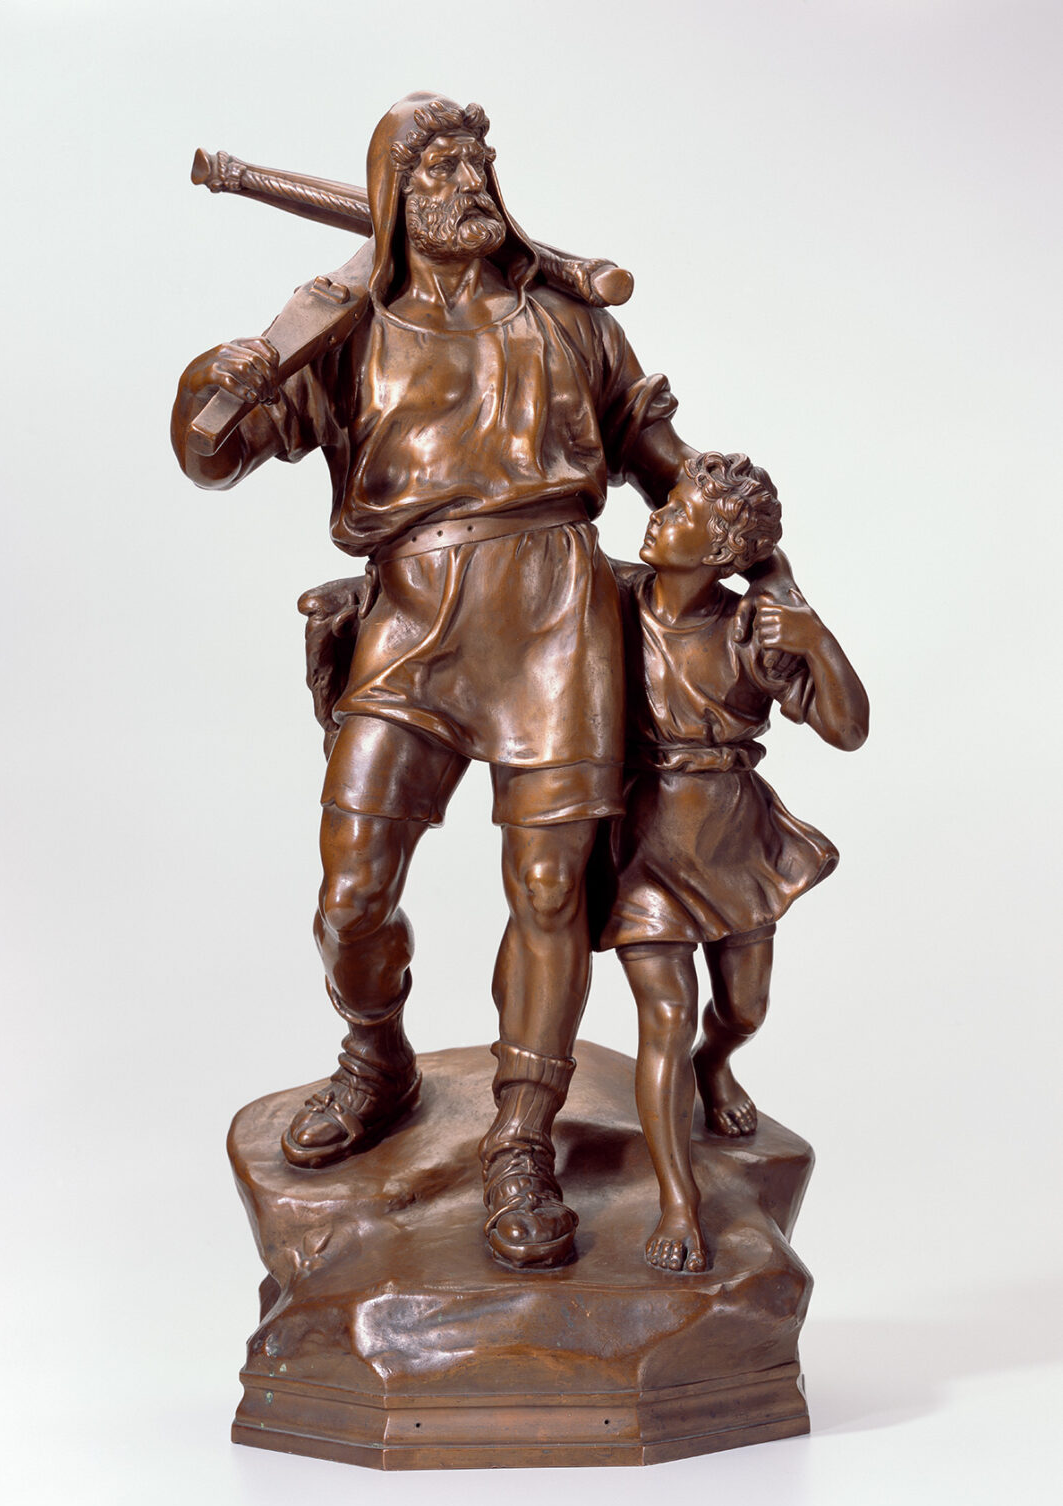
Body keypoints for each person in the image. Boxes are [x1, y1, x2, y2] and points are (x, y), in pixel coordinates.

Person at [171, 93, 796, 1269]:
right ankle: (377, 1058)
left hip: (558, 620)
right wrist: (237, 371)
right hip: (412, 620)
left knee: (550, 892)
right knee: (352, 891)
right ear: (393, 195)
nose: (467, 185)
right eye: (438, 168)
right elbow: (211, 454)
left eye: (478, 163)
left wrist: (770, 567)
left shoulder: (565, 317)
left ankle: (520, 1136)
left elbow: (660, 456)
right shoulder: (343, 327)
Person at [597, 452, 869, 1273]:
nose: (657, 513)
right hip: (644, 840)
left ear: (719, 550)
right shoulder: (611, 597)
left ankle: (716, 1066)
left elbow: (849, 729)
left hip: (732, 835)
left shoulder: (751, 627)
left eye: (679, 511)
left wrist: (816, 639)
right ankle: (678, 1200)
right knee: (666, 1016)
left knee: (743, 1011)